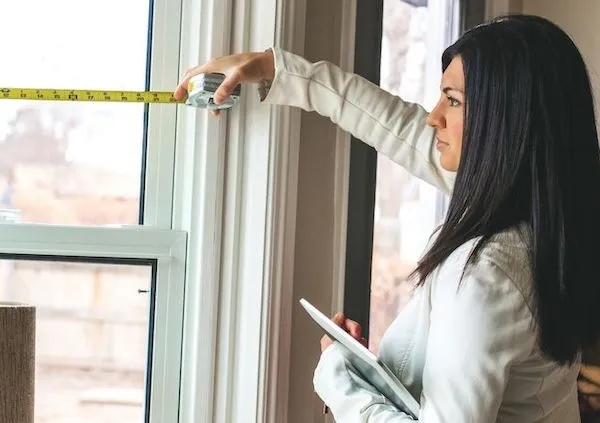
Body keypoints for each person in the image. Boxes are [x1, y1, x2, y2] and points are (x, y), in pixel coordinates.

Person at [174, 14, 600, 423]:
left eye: (451, 100)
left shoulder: (486, 273)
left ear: (507, 124)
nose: (434, 117)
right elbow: (398, 127)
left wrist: (338, 379)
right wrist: (275, 69)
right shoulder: (549, 219)